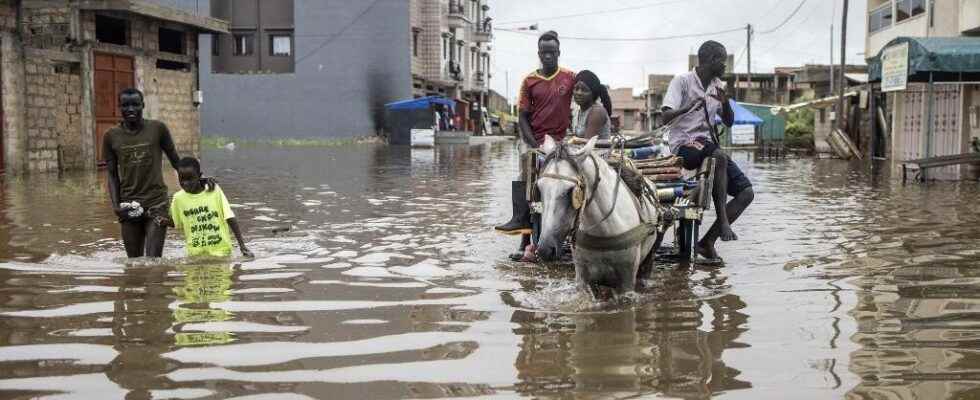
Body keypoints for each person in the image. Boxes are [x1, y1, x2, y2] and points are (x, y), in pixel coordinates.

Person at [660, 40, 754, 264]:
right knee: (719, 155)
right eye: (722, 60)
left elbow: (729, 122)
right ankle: (723, 221)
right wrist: (689, 106)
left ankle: (707, 242)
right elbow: (665, 116)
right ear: (711, 60)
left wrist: (726, 102)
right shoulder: (682, 81)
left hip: (708, 146)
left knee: (746, 193)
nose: (725, 66)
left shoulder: (718, 85)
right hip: (683, 145)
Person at [494, 30, 575, 261]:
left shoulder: (570, 77)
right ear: (539, 53)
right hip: (535, 140)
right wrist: (533, 144)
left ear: (558, 52)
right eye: (543, 52)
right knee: (527, 179)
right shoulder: (529, 80)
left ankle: (566, 234)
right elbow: (522, 117)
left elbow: (588, 89)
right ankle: (523, 236)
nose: (547, 56)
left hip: (560, 143)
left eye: (552, 52)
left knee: (564, 188)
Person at [103, 88, 195, 258]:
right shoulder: (111, 136)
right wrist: (116, 207)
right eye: (126, 105)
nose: (130, 109)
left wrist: (200, 182)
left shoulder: (157, 129)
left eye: (135, 105)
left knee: (153, 261)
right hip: (128, 206)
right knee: (134, 263)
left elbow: (177, 162)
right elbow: (112, 175)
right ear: (119, 107)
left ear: (143, 105)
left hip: (157, 204)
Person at [159, 157, 253, 258]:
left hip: (221, 252)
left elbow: (230, 217)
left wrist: (242, 245)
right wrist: (163, 221)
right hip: (195, 255)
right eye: (182, 179)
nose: (185, 183)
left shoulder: (214, 191)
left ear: (199, 176)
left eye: (190, 179)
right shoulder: (178, 198)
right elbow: (178, 223)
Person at [572, 70, 613, 140]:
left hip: (598, 151)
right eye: (576, 88)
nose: (579, 93)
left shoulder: (597, 112)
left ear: (593, 93)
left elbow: (587, 144)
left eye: (584, 90)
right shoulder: (578, 111)